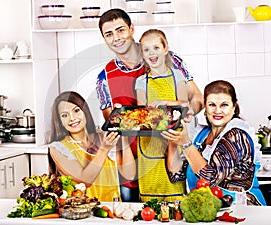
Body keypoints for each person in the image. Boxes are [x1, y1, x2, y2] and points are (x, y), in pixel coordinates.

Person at [96, 8, 203, 202]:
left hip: (175, 164)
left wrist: (187, 111)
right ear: (104, 39)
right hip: (132, 172)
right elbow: (113, 125)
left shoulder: (168, 59)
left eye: (120, 30)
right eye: (109, 34)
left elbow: (197, 98)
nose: (116, 38)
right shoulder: (104, 77)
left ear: (131, 29)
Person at [165, 80, 266, 206]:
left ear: (234, 107)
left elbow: (211, 179)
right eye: (212, 104)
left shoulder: (238, 136)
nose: (217, 111)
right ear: (205, 108)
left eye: (224, 105)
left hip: (241, 211)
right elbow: (176, 175)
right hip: (208, 210)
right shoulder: (201, 135)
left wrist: (185, 143)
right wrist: (172, 135)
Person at [48, 91, 136, 202]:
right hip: (82, 212)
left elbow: (129, 174)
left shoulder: (104, 137)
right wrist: (104, 149)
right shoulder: (58, 148)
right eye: (65, 115)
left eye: (76, 110)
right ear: (60, 121)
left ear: (85, 111)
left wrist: (123, 134)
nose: (72, 118)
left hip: (112, 209)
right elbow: (85, 180)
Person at [133, 28, 189, 202]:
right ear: (142, 54)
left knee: (175, 199)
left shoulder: (177, 75)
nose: (152, 53)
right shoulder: (141, 81)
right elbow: (141, 115)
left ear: (165, 49)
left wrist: (166, 102)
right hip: (149, 142)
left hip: (172, 139)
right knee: (151, 202)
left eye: (156, 47)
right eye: (146, 50)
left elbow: (185, 104)